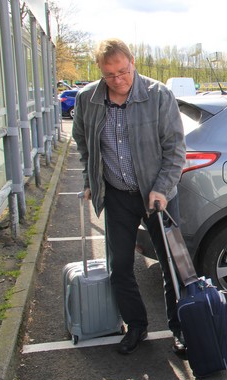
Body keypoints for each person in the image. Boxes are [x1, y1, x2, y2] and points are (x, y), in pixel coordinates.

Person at [72, 38, 186, 355]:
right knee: (120, 266)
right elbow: (83, 143)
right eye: (110, 75)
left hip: (157, 195)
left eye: (123, 71)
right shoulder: (87, 99)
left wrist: (161, 188)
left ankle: (181, 329)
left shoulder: (158, 95)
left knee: (172, 266)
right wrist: (90, 179)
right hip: (118, 195)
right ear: (100, 71)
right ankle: (136, 326)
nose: (118, 80)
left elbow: (175, 150)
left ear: (132, 62)